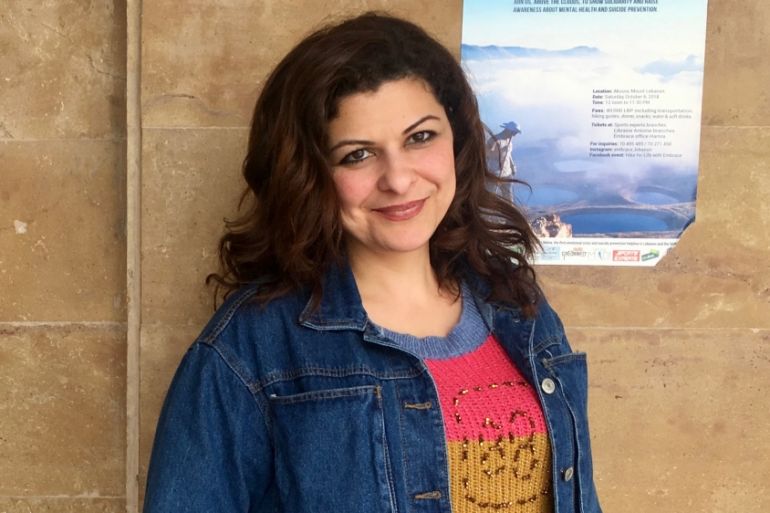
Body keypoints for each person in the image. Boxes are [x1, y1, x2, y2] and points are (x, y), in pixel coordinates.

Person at [143, 12, 602, 513]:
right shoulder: (250, 348)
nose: (398, 180)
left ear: (457, 140)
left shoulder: (519, 306)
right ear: (309, 175)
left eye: (420, 137)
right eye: (357, 155)